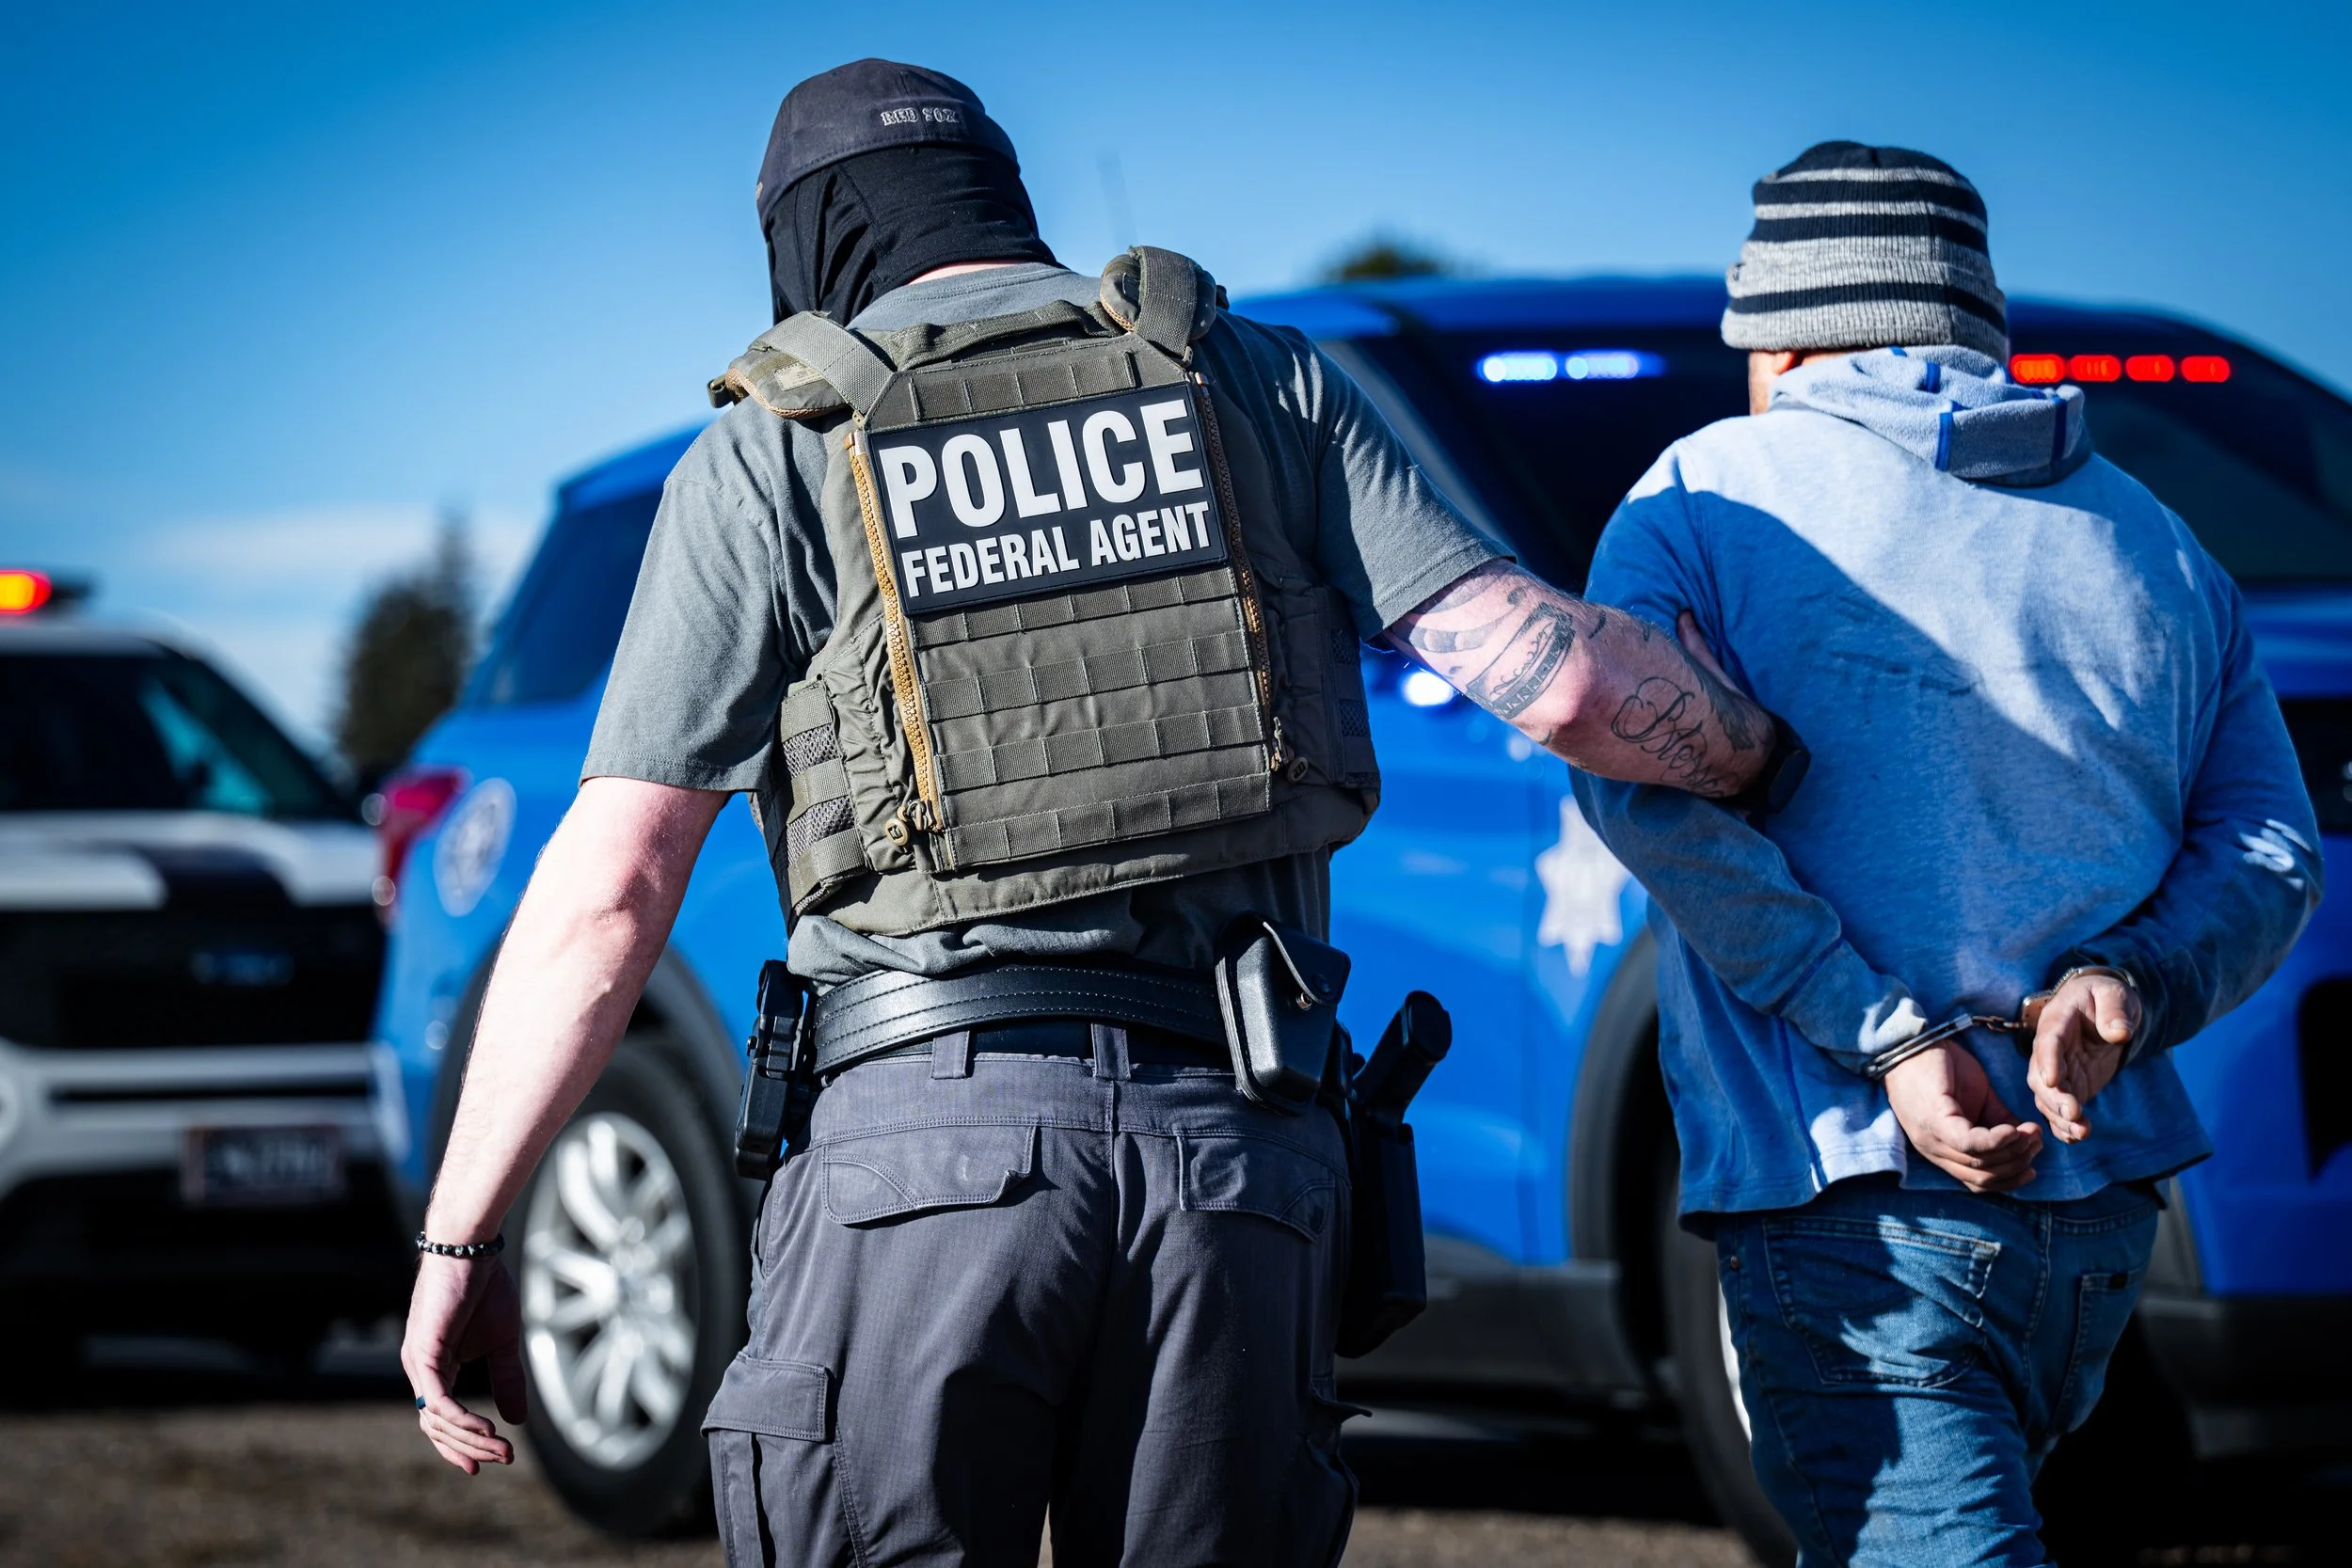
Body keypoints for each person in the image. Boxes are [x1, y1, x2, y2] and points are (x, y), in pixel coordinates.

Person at [399, 59, 1794, 1568]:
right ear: (1000, 198)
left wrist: (466, 1233)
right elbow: (1564, 682)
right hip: (1236, 1158)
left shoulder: (772, 454)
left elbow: (612, 893)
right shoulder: (1261, 380)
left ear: (809, 239)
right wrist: (1776, 759)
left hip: (918, 1167)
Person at [1576, 141, 2323, 1567]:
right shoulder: (2157, 539)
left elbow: (1641, 791)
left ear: (1785, 335)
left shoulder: (1703, 498)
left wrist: (1887, 1036)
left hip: (1847, 1210)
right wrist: (2132, 983)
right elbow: (2274, 845)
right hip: (2098, 1221)